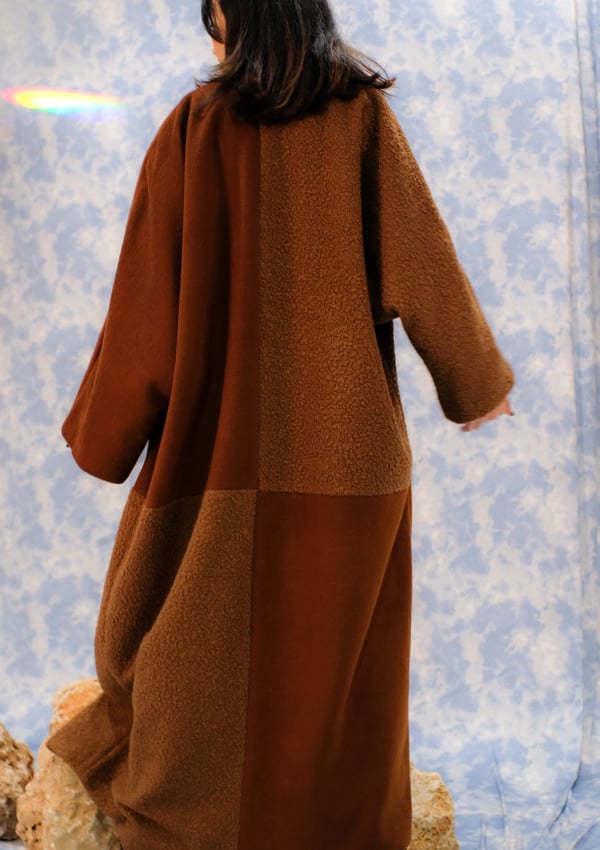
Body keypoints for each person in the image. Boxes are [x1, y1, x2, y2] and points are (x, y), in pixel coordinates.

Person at [46, 1, 514, 848]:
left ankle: (204, 821)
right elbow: (425, 261)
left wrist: (103, 436)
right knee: (339, 679)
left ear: (235, 14)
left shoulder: (197, 126)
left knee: (169, 648)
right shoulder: (362, 117)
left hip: (216, 450)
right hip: (352, 455)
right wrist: (474, 385)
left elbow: (144, 305)